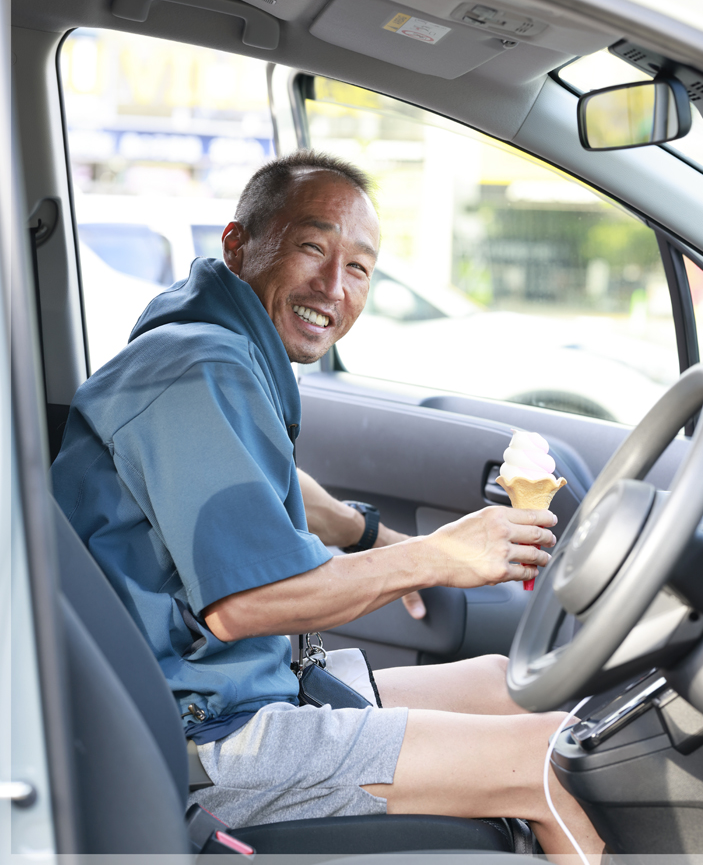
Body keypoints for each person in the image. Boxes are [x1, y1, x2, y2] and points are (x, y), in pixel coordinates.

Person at [51, 150, 603, 860]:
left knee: (505, 686)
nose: (333, 286)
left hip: (231, 688)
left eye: (360, 268)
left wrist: (363, 531)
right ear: (237, 244)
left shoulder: (214, 348)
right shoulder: (197, 371)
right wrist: (434, 556)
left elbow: (253, 478)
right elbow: (249, 602)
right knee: (544, 761)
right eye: (312, 247)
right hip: (208, 737)